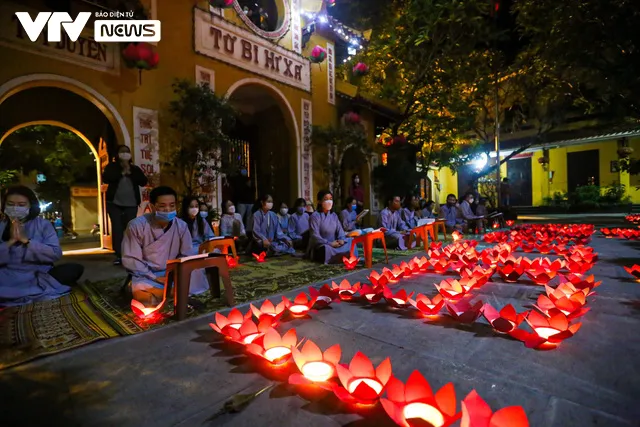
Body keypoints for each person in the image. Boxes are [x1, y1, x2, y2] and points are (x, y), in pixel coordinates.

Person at [122, 186, 208, 306]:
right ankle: (174, 295)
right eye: (162, 206)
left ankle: (172, 293)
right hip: (146, 274)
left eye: (172, 205)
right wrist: (154, 277)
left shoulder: (181, 226)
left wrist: (174, 274)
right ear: (152, 207)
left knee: (195, 273)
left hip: (172, 273)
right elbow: (132, 259)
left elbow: (186, 255)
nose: (168, 209)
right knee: (143, 294)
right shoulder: (136, 226)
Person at [0, 186, 84, 307]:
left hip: (38, 276)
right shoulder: (1, 226)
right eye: (11, 204)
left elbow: (55, 254)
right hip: (7, 277)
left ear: (31, 205)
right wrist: (10, 241)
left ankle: (31, 292)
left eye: (21, 204)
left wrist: (27, 241)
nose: (15, 208)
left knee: (73, 269)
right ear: (4, 205)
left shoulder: (43, 225)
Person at [103, 145, 148, 265]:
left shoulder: (135, 169)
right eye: (122, 152)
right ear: (117, 155)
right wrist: (121, 171)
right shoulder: (111, 167)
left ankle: (132, 253)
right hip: (114, 203)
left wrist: (129, 170)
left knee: (131, 229)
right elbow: (106, 179)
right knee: (117, 229)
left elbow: (143, 182)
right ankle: (119, 255)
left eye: (127, 152)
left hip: (131, 203)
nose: (125, 154)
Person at [308, 190, 354, 264]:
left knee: (351, 241)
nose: (329, 201)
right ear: (319, 201)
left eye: (331, 199)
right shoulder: (314, 216)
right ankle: (340, 256)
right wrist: (329, 243)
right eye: (326, 199)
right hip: (323, 245)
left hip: (336, 244)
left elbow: (340, 231)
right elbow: (314, 236)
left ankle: (339, 256)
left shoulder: (334, 215)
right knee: (326, 249)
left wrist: (341, 239)